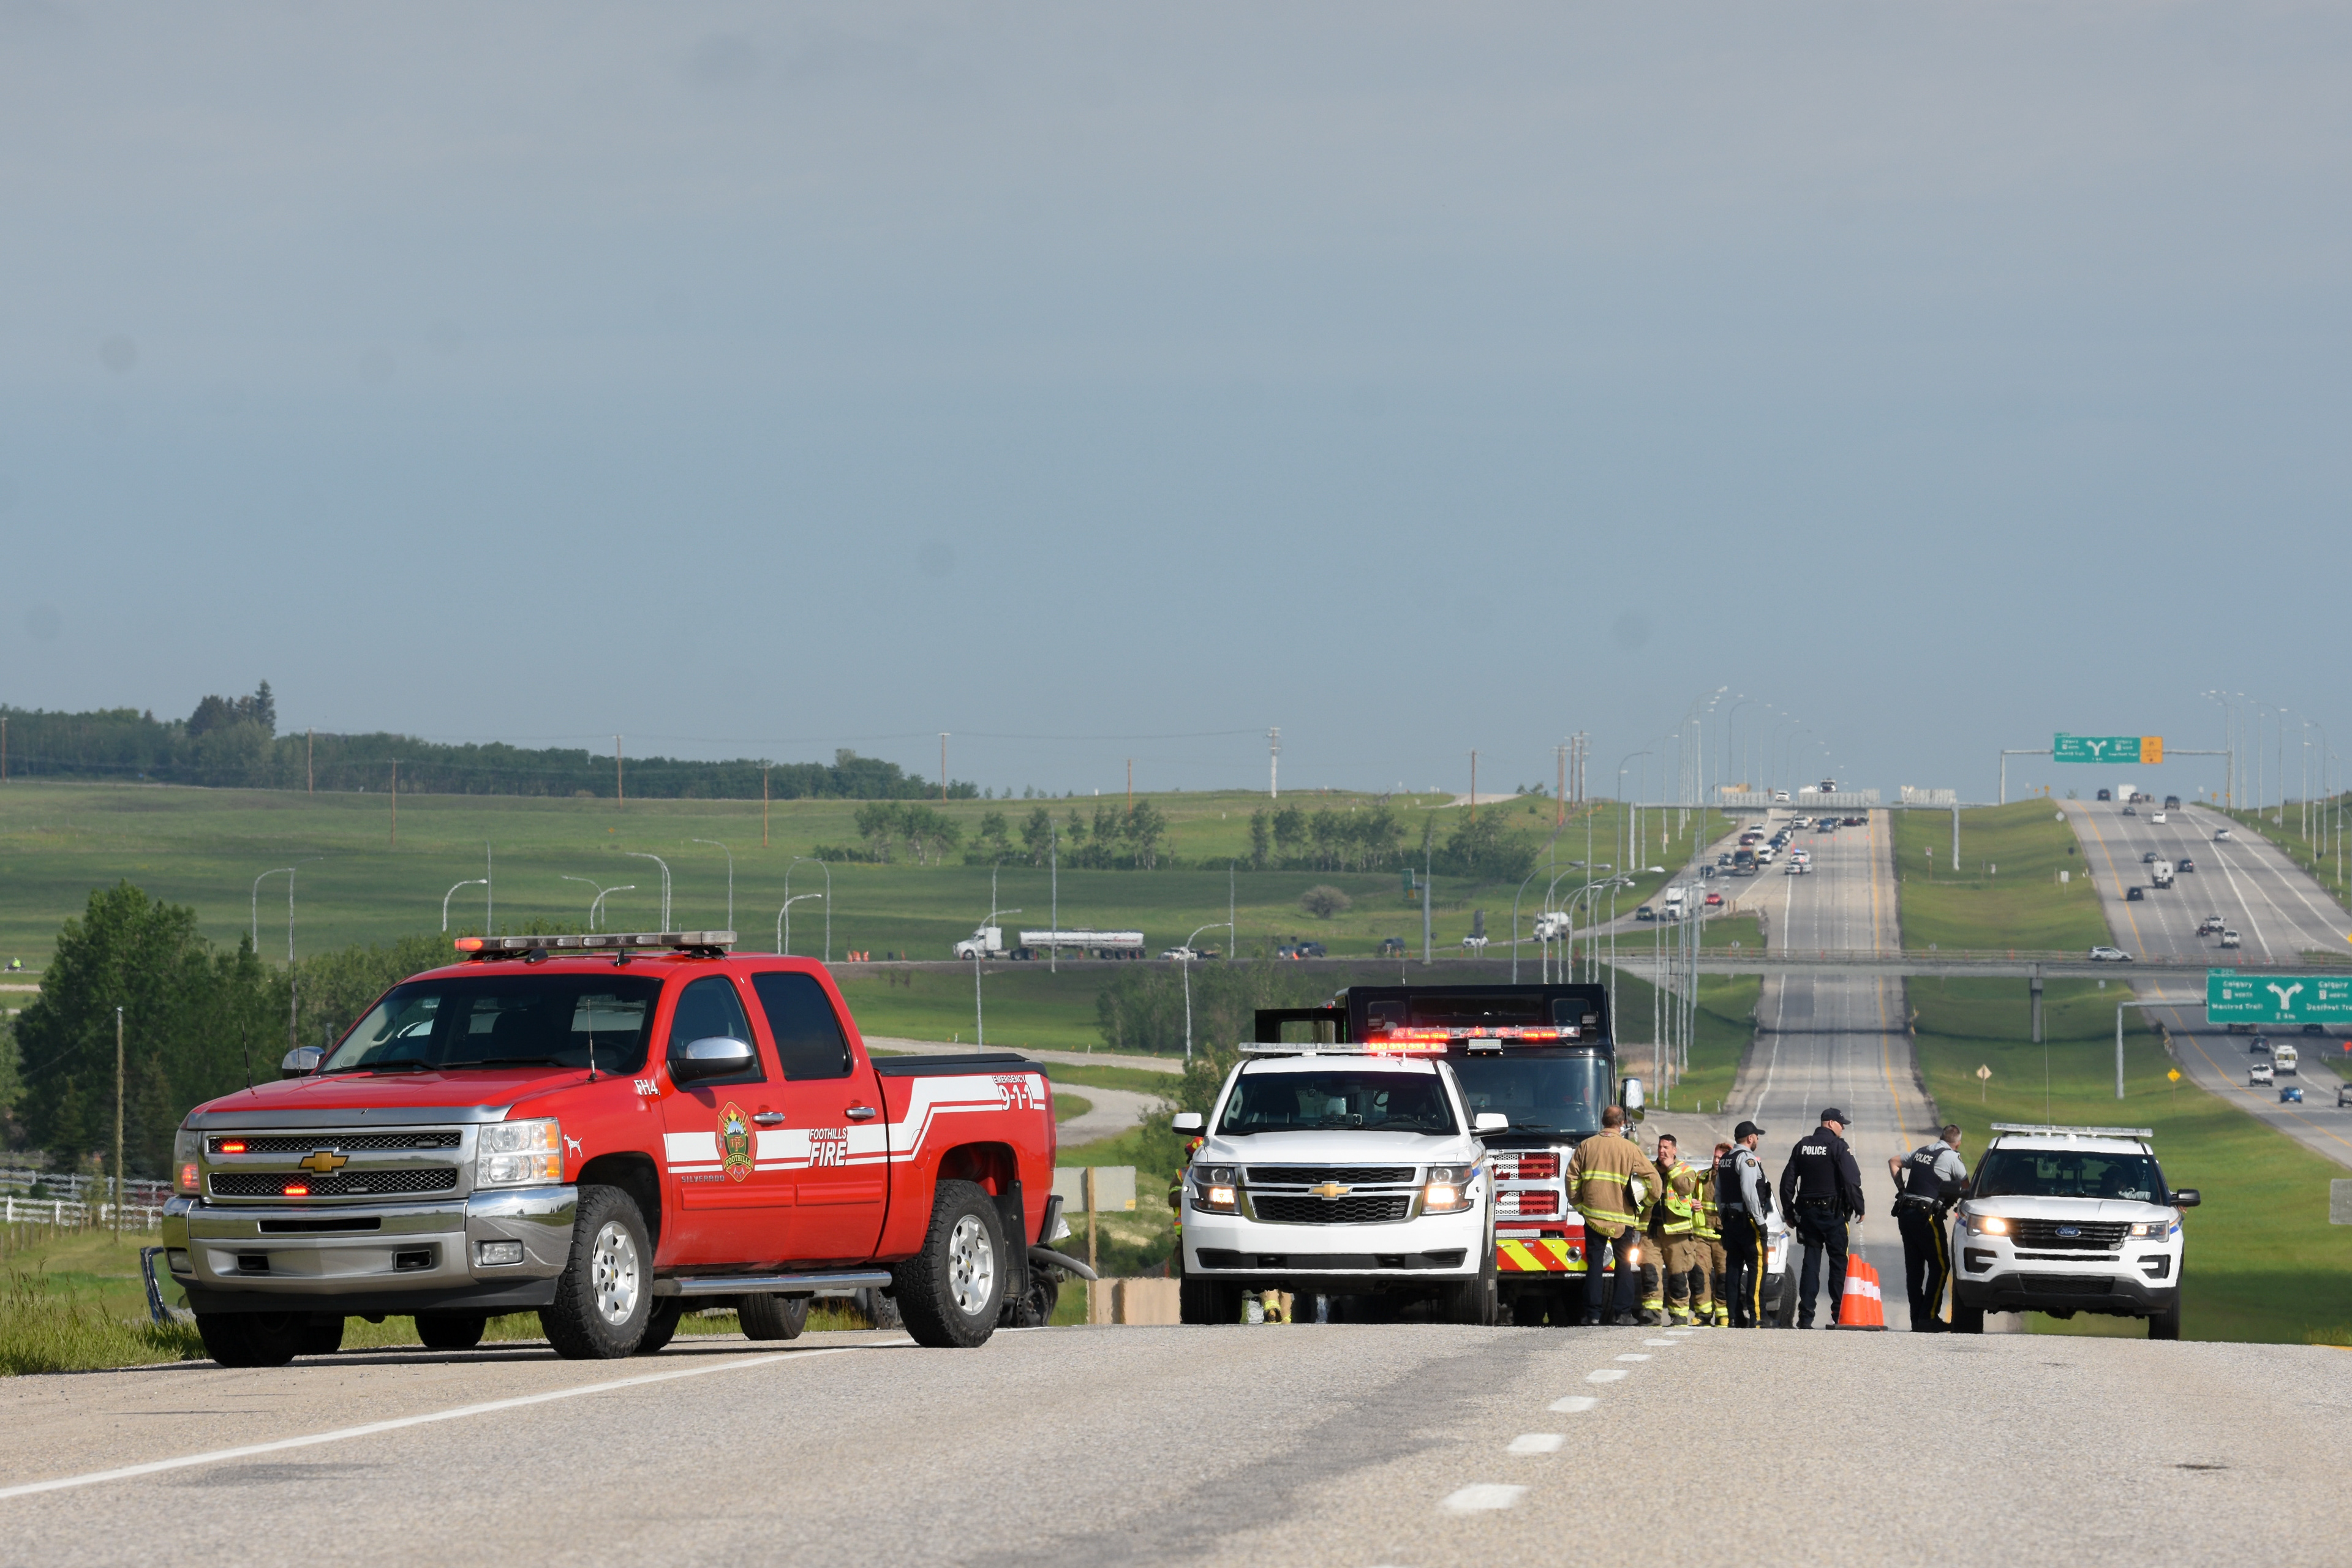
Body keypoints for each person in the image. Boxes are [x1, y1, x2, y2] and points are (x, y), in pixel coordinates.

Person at [1567, 1104, 1660, 1327]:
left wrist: (1580, 1205)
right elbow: (1655, 1182)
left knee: (1595, 1265)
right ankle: (1622, 1314)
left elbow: (1571, 1180)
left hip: (1593, 1218)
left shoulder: (1586, 1146)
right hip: (1623, 1220)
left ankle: (1593, 1315)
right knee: (1624, 1265)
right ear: (1622, 1123)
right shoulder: (1630, 1149)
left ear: (1602, 1121)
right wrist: (1645, 1204)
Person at [1779, 1108, 1866, 1329]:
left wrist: (1789, 1212)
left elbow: (1787, 1181)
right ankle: (1839, 1314)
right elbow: (1851, 1179)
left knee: (1811, 1263)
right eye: (1841, 1123)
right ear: (1830, 1123)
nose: (1843, 1128)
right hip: (1833, 1214)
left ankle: (1806, 1317)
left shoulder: (1803, 1145)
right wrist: (1859, 1207)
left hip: (1808, 1215)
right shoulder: (1838, 1146)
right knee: (1838, 1263)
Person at [1889, 1124, 1969, 1332]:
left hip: (1906, 1213)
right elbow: (1966, 1187)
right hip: (1926, 1218)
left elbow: (1894, 1162)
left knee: (1914, 1269)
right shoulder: (1952, 1158)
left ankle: (1917, 1319)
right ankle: (1929, 1317)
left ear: (1941, 1137)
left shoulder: (1922, 1151)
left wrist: (1902, 1189)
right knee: (1941, 1266)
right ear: (1957, 1143)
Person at [1716, 1121, 1774, 1327]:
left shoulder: (1725, 1159)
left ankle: (1733, 1317)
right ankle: (1758, 1315)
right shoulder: (1747, 1159)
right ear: (1750, 1138)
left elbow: (1718, 1193)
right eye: (1757, 1136)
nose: (1757, 1140)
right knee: (1757, 1266)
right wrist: (1760, 1222)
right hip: (1746, 1222)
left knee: (1733, 1268)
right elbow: (1750, 1193)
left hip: (1730, 1222)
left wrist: (1723, 1217)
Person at [1646, 1134, 1703, 1326]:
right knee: (1649, 1271)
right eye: (1660, 1147)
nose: (1661, 1151)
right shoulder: (1650, 1169)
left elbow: (1685, 1189)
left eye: (1666, 1148)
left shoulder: (1685, 1170)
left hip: (1677, 1233)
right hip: (1652, 1231)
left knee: (1678, 1276)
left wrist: (1671, 1168)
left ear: (1674, 1151)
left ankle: (1679, 1315)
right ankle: (1651, 1314)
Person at [1695, 1143, 1730, 1325]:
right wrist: (1692, 1203)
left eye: (1720, 1158)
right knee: (1700, 1274)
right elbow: (1686, 1197)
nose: (1716, 1161)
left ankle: (1723, 1313)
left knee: (1724, 1277)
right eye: (1715, 1157)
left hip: (1723, 1239)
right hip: (1702, 1237)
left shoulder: (1734, 1179)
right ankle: (1703, 1313)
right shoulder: (1701, 1178)